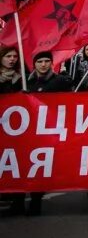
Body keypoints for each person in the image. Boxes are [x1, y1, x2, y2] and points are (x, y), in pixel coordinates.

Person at [2, 51, 70, 217]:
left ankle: (35, 201)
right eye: (40, 61)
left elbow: (71, 101)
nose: (44, 64)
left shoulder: (60, 81)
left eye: (47, 61)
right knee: (20, 166)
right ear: (34, 64)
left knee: (39, 167)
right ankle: (17, 202)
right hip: (23, 131)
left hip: (45, 131)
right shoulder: (25, 81)